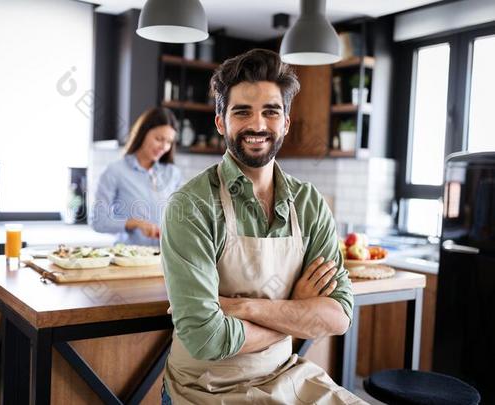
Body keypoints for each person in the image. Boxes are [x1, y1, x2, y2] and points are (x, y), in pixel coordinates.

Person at [160, 49, 366, 404]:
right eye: (242, 112)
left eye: (271, 112)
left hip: (287, 375)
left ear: (286, 122)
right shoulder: (190, 206)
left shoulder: (309, 203)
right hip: (205, 389)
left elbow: (338, 316)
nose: (258, 125)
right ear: (221, 122)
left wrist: (243, 307)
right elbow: (205, 338)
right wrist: (297, 310)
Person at [92, 107, 183, 246]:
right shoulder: (115, 171)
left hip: (164, 259)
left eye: (169, 142)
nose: (164, 147)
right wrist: (135, 223)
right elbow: (98, 221)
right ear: (143, 133)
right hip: (128, 259)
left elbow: (183, 217)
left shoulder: (173, 174)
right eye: (159, 139)